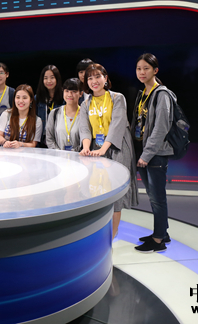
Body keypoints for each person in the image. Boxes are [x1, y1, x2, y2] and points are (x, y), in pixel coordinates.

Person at [79, 63, 138, 240]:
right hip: (96, 148)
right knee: (97, 188)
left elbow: (117, 124)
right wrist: (86, 147)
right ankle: (99, 232)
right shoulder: (86, 103)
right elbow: (84, 128)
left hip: (117, 146)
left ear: (105, 78)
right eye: (90, 78)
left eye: (98, 76)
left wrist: (103, 149)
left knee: (115, 189)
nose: (94, 81)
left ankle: (113, 233)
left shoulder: (117, 98)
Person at [131, 53, 175, 253]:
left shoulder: (162, 94)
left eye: (146, 68)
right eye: (139, 68)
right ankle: (162, 232)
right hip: (143, 152)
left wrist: (146, 155)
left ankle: (158, 241)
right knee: (153, 195)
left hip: (154, 154)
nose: (142, 72)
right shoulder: (143, 93)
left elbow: (160, 129)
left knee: (157, 198)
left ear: (155, 70)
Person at [45, 78, 83, 151]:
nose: (69, 95)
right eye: (67, 91)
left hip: (79, 156)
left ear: (81, 94)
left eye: (74, 91)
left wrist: (73, 153)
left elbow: (86, 139)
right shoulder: (54, 113)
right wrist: (59, 153)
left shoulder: (85, 114)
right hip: (57, 156)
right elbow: (49, 139)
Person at [35, 65, 64, 146]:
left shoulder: (64, 97)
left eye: (52, 77)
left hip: (58, 139)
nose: (49, 81)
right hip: (41, 139)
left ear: (57, 78)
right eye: (45, 78)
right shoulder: (37, 98)